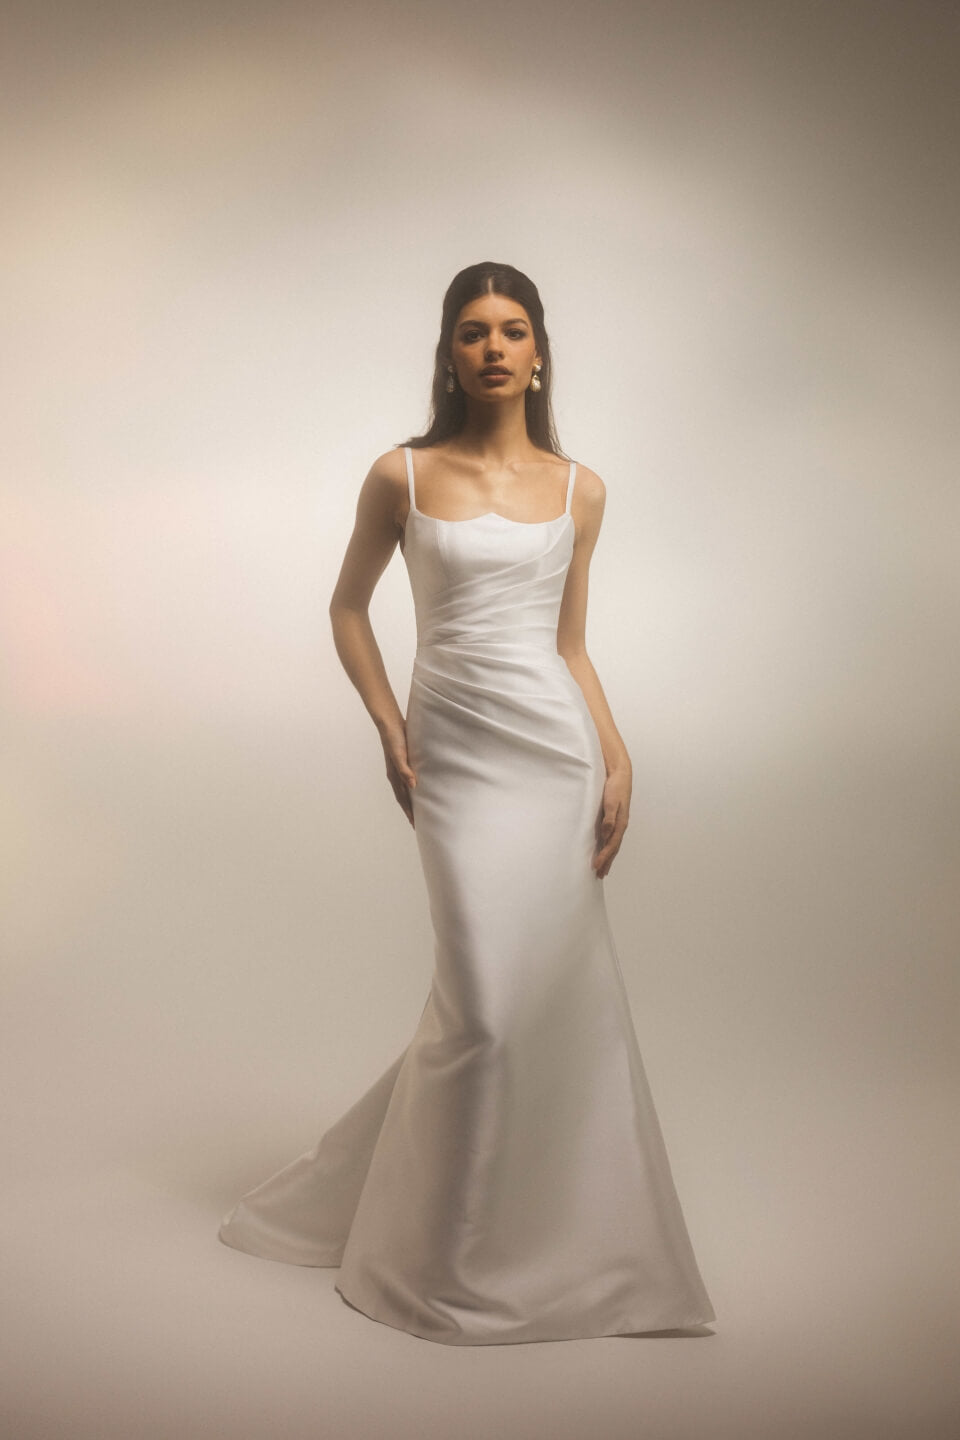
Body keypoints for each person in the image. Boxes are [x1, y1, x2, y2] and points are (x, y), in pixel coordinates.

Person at [218, 261, 717, 1346]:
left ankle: (560, 1242)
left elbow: (569, 644)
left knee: (539, 1002)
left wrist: (616, 752)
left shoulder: (582, 488)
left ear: (541, 354)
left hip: (554, 750)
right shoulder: (400, 473)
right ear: (448, 352)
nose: (494, 347)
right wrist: (389, 727)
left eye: (515, 330)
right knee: (486, 1006)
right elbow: (348, 608)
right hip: (451, 752)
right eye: (474, 331)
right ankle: (435, 1261)